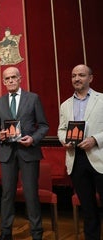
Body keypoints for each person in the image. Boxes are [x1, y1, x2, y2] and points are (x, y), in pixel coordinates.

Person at [0, 67, 49, 240]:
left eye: (13, 77)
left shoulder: (33, 98)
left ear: (20, 78)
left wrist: (33, 138)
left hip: (28, 151)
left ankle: (36, 232)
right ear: (3, 81)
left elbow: (44, 125)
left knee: (31, 193)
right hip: (7, 152)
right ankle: (6, 232)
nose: (10, 81)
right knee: (7, 194)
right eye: (7, 78)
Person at [57, 64, 103, 240]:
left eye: (81, 75)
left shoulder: (102, 99)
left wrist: (95, 140)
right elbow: (61, 129)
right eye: (74, 75)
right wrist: (64, 140)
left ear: (90, 78)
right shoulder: (65, 105)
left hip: (99, 156)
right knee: (88, 208)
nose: (77, 78)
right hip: (76, 160)